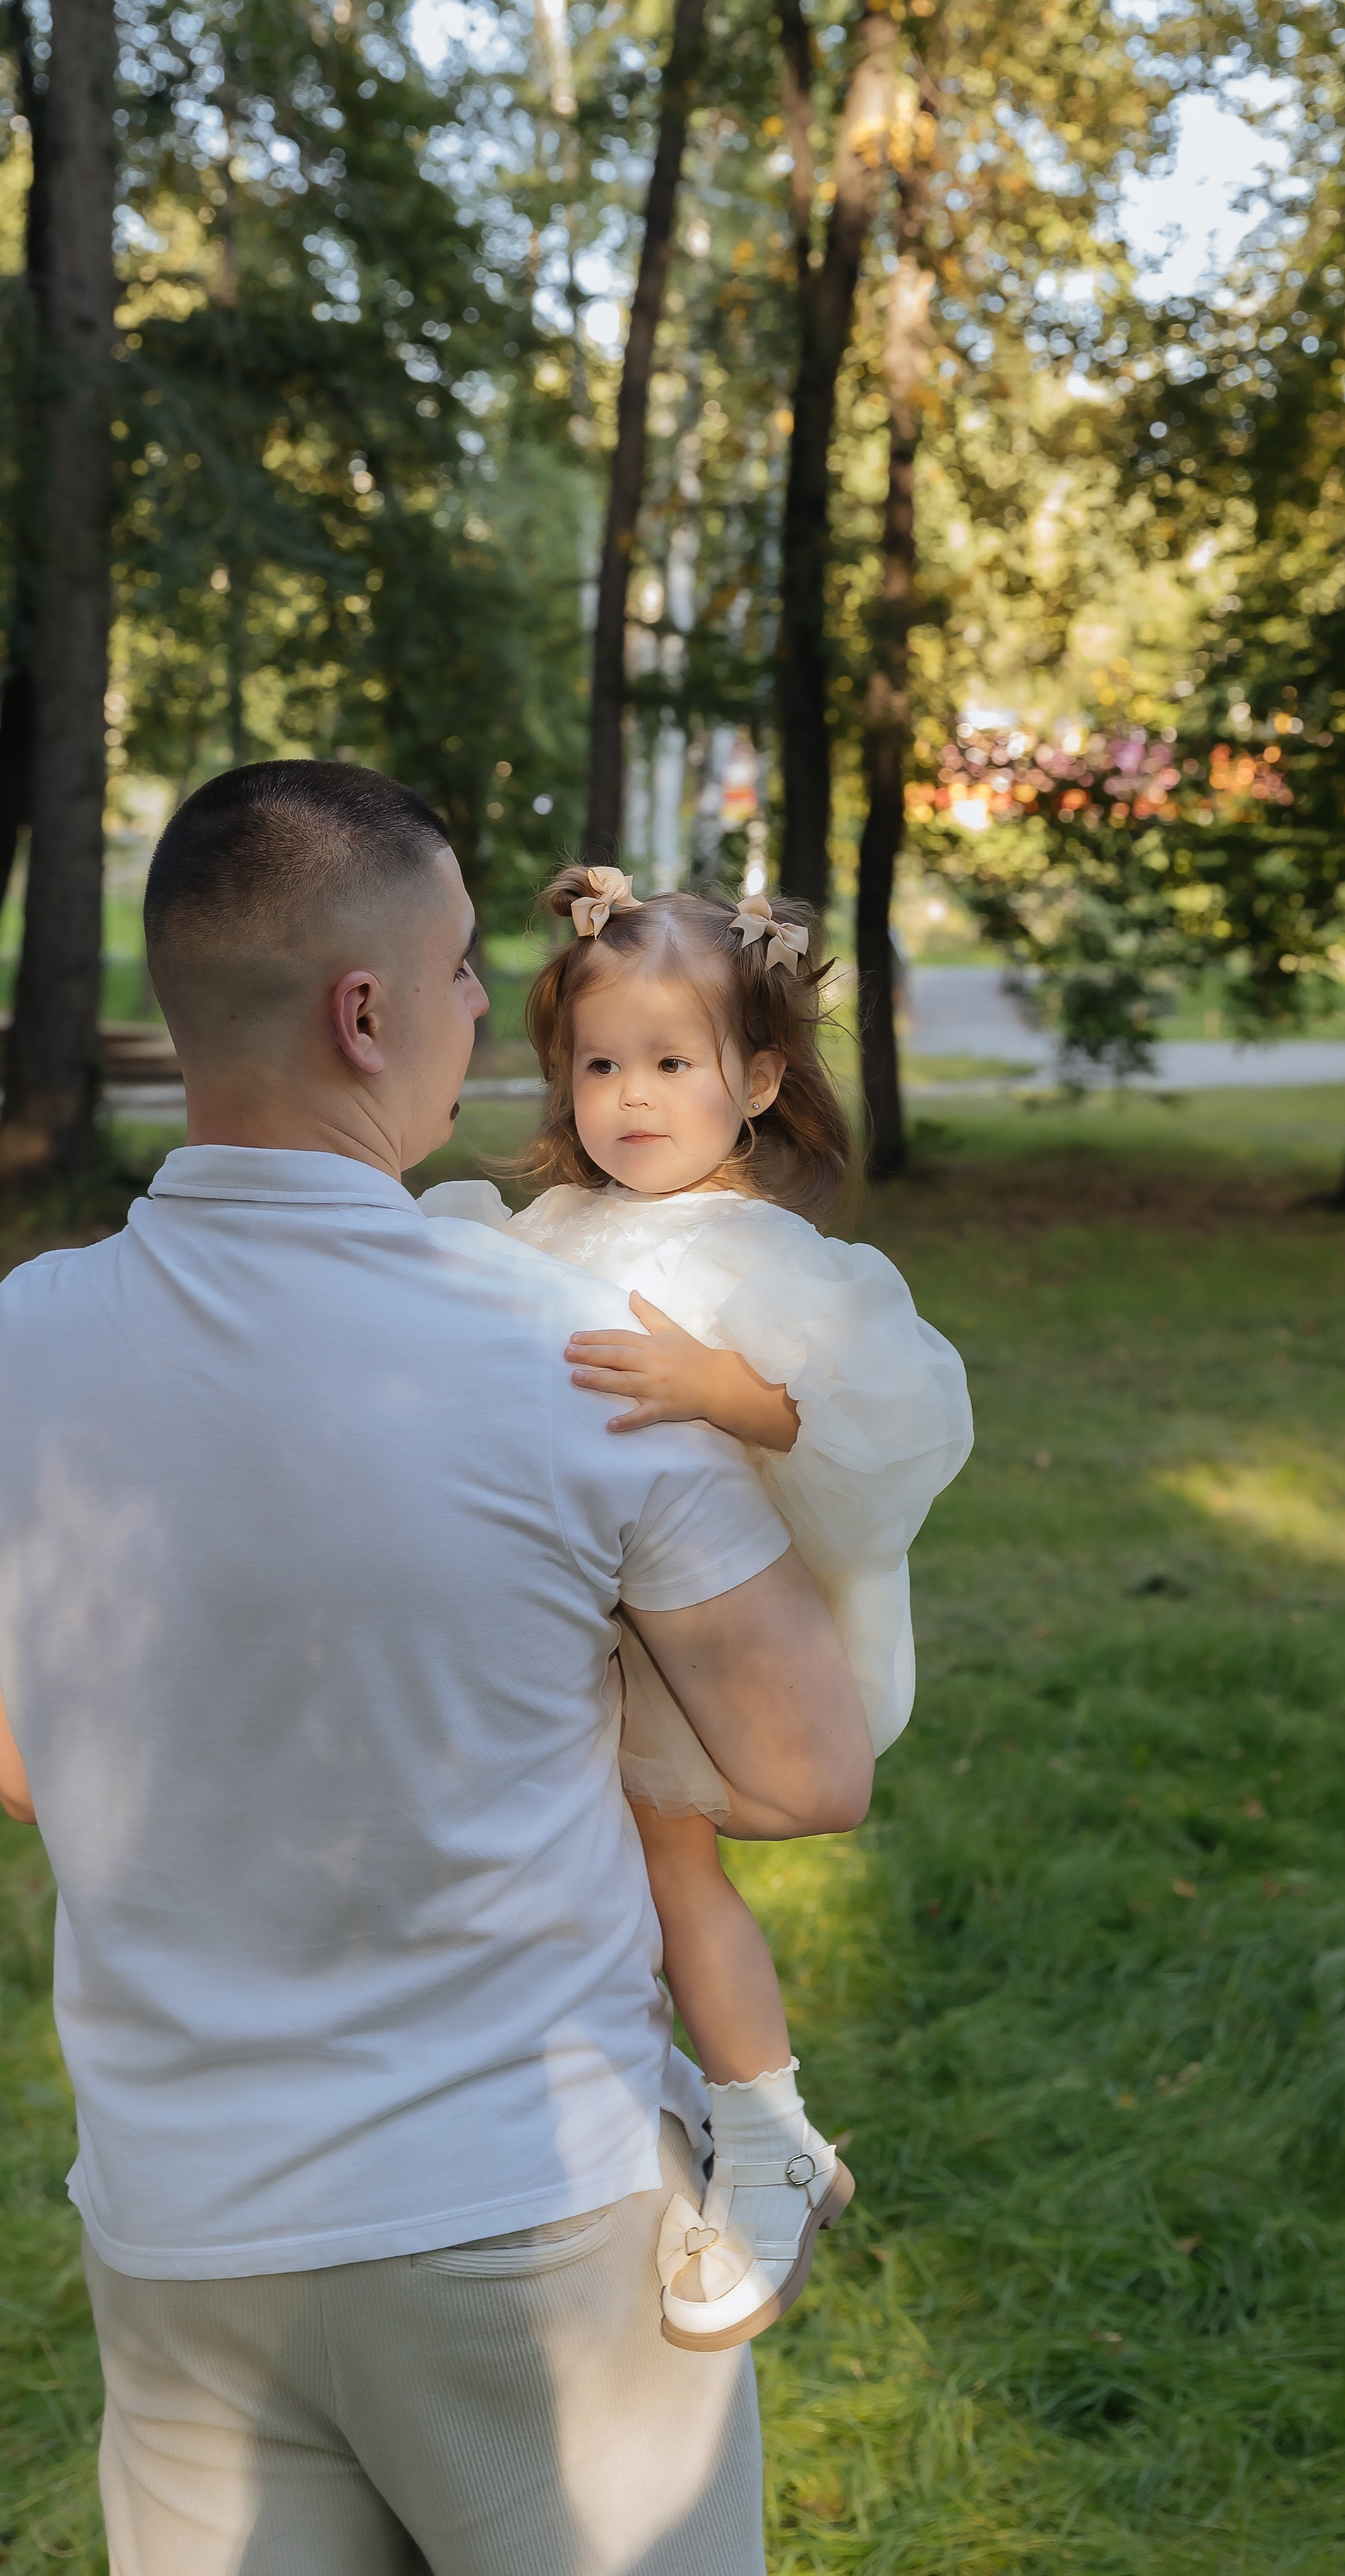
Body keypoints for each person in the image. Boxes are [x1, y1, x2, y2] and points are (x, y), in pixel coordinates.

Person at [0, 760, 874, 2576]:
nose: (474, 1018)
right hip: (533, 2224)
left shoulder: (9, 1351)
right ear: (365, 1011)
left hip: (188, 2232)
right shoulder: (574, 1362)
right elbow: (809, 1769)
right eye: (456, 973)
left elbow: (29, 1768)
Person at [420, 863, 972, 2349]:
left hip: (714, 1654)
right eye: (597, 1064)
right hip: (576, 1637)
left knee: (675, 1885)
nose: (629, 1097)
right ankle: (624, 2103)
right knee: (586, 1884)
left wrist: (726, 1390)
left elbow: (902, 1418)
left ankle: (767, 2125)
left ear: (756, 1078)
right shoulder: (544, 1237)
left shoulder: (781, 1269)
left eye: (670, 1063)